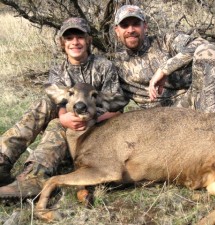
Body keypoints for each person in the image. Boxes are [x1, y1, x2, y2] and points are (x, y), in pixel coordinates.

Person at [0, 17, 128, 197]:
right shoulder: (58, 70)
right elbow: (58, 103)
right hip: (69, 119)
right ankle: (2, 159)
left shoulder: (104, 67)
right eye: (69, 38)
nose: (75, 42)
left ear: (88, 40)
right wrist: (63, 117)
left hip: (97, 129)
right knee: (43, 105)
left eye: (80, 37)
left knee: (56, 126)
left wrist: (92, 118)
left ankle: (34, 177)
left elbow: (115, 107)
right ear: (62, 43)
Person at [114, 5, 215, 112]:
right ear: (117, 31)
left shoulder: (165, 41)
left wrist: (164, 69)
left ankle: (214, 124)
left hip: (192, 106)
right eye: (124, 25)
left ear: (145, 26)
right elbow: (113, 105)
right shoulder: (116, 67)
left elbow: (202, 44)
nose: (130, 30)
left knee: (208, 53)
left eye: (136, 24)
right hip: (157, 122)